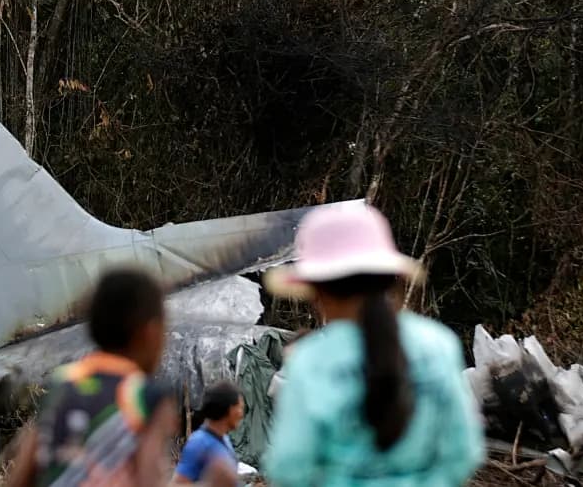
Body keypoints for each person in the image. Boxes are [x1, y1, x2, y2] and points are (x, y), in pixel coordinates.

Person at [260, 201, 485, 486]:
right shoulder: (438, 344)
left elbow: (289, 466)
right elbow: (463, 453)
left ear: (316, 290)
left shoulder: (311, 360)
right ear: (387, 277)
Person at [7, 267, 179, 487]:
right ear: (150, 332)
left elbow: (22, 477)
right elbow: (149, 479)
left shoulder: (61, 383)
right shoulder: (147, 396)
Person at [172, 380, 244, 487]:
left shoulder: (224, 438)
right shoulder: (199, 443)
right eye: (240, 407)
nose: (241, 414)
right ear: (230, 409)